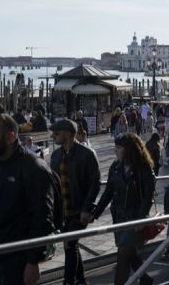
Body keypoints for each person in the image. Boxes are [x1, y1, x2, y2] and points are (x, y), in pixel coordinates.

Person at [0, 114, 55, 285]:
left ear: (11, 137)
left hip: (21, 255)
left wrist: (33, 262)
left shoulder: (33, 167)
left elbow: (42, 218)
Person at [92, 133, 155, 285]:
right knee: (130, 253)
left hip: (134, 219)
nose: (116, 150)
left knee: (123, 255)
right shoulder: (115, 167)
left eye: (119, 148)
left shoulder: (144, 168)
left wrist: (141, 219)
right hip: (118, 217)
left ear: (128, 149)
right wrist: (94, 214)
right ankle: (146, 279)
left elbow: (148, 197)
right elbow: (107, 193)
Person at [49, 118, 101, 285]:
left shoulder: (87, 154)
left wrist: (87, 208)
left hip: (79, 210)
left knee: (69, 244)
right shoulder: (56, 155)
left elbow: (94, 183)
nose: (53, 135)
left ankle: (68, 282)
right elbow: (53, 185)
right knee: (70, 245)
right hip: (63, 212)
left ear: (69, 134)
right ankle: (82, 280)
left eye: (57, 133)